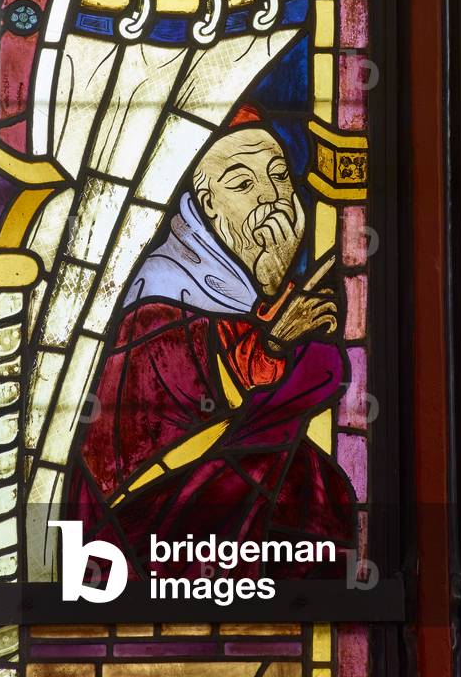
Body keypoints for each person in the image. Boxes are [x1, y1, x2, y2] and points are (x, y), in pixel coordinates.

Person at [66, 111, 355, 580]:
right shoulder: (157, 296)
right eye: (242, 184)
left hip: (227, 513)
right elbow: (181, 426)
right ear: (206, 206)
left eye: (280, 175)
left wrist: (272, 293)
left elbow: (296, 381)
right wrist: (275, 341)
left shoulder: (251, 289)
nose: (272, 197)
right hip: (145, 532)